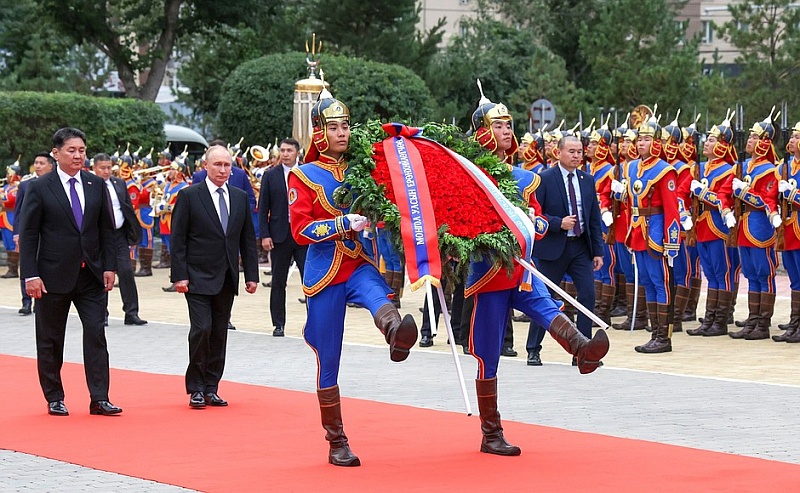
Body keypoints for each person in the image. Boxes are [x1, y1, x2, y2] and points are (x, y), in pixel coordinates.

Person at [464, 92, 608, 456]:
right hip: (488, 273)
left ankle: (581, 349)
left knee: (545, 305)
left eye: (509, 124)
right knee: (488, 354)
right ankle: (490, 431)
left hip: (521, 267)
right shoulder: (469, 175)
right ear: (482, 131)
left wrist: (536, 223)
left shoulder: (523, 177)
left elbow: (540, 220)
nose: (507, 130)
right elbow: (461, 223)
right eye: (498, 125)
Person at [288, 87, 418, 467]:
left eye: (346, 126)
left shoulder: (364, 169)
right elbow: (300, 231)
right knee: (329, 358)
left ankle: (396, 334)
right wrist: (342, 222)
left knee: (381, 295)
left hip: (358, 260)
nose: (343, 133)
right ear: (319, 131)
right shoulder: (304, 175)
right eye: (335, 127)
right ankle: (336, 440)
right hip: (324, 272)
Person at [18, 127, 121, 417]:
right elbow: (28, 235)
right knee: (51, 338)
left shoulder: (95, 184)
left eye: (82, 151)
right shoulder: (39, 186)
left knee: (96, 334)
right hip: (51, 276)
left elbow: (106, 229)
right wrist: (30, 275)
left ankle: (100, 398)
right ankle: (54, 396)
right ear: (56, 153)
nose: (78, 156)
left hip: (91, 274)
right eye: (71, 150)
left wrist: (110, 266)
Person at [170, 145, 259, 409]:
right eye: (217, 165)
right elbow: (178, 240)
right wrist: (180, 275)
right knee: (201, 329)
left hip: (226, 277)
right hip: (196, 277)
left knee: (219, 333)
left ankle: (211, 386)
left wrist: (251, 275)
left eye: (227, 165)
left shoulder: (240, 197)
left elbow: (247, 241)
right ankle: (195, 387)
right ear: (206, 166)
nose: (222, 170)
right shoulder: (189, 196)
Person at [526, 135, 606, 363]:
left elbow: (593, 218)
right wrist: (557, 223)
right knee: (545, 298)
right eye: (571, 151)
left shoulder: (587, 180)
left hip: (580, 246)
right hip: (554, 247)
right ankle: (533, 348)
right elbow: (535, 214)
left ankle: (583, 351)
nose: (576, 156)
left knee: (588, 296)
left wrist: (598, 251)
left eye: (579, 151)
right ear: (558, 153)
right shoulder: (544, 179)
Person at [613, 115, 681, 353]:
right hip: (637, 230)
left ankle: (664, 337)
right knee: (648, 283)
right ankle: (655, 334)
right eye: (639, 139)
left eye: (646, 139)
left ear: (656, 143)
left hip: (655, 230)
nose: (641, 143)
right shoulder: (631, 167)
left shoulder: (665, 170)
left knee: (660, 282)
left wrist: (672, 241)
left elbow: (672, 208)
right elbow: (632, 199)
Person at [728, 112, 781, 340]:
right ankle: (752, 319)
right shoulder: (746, 166)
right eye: (749, 137)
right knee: (750, 274)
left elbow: (766, 201)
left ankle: (763, 323)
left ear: (764, 142)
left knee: (764, 274)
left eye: (754, 137)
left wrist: (743, 192)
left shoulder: (769, 169)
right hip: (744, 226)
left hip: (760, 227)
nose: (749, 141)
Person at [258, 138, 308, 337]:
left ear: (297, 153)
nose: (285, 154)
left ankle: (314, 323)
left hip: (303, 234)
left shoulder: (307, 173)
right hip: (279, 234)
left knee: (309, 281)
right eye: (282, 150)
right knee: (278, 281)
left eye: (289, 150)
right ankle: (278, 324)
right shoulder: (271, 175)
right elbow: (263, 208)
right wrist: (264, 235)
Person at [92, 154, 147, 326]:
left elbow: (127, 209)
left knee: (126, 272)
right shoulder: (90, 186)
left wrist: (132, 233)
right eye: (102, 168)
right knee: (102, 275)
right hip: (99, 238)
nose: (107, 171)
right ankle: (102, 314)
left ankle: (131, 313)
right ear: (94, 168)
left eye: (109, 167)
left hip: (119, 235)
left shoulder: (119, 183)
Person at [13, 153, 55, 314]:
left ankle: (41, 301)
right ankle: (26, 302)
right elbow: (19, 212)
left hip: (47, 234)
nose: (37, 166)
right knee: (27, 264)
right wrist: (17, 233)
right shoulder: (25, 185)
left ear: (51, 165)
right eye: (36, 162)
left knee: (44, 266)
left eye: (41, 163)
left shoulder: (55, 184)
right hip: (29, 232)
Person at [775, 121, 800, 342]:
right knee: (794, 278)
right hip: (789, 226)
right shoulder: (787, 165)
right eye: (792, 136)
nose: (792, 140)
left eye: (796, 137)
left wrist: (792, 194)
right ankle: (795, 323)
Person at [1, 162, 22, 278]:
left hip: (12, 216)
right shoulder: (5, 187)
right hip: (4, 216)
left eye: (9, 174)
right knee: (7, 244)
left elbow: (9, 200)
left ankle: (13, 269)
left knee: (14, 243)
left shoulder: (17, 187)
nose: (7, 176)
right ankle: (11, 269)